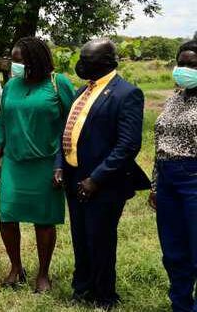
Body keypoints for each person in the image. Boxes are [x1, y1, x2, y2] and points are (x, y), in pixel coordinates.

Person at [54, 38, 150, 309]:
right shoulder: (82, 91)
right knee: (81, 237)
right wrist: (60, 164)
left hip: (104, 183)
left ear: (107, 62)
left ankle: (104, 295)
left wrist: (96, 178)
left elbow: (128, 144)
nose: (81, 64)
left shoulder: (126, 93)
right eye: (81, 58)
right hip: (74, 177)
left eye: (88, 60)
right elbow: (67, 131)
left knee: (101, 239)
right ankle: (82, 288)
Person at [0, 37, 76, 292]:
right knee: (7, 217)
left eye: (19, 61)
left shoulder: (57, 83)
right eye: (13, 60)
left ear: (35, 60)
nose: (14, 65)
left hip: (47, 164)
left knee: (44, 220)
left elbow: (71, 124)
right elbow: (3, 123)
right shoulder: (10, 86)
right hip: (14, 164)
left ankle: (43, 274)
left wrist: (61, 163)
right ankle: (16, 269)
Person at [149, 40, 197, 312]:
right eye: (181, 63)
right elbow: (159, 144)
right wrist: (156, 185)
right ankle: (180, 305)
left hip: (194, 178)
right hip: (168, 179)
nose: (184, 69)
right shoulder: (174, 99)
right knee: (174, 252)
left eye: (192, 64)